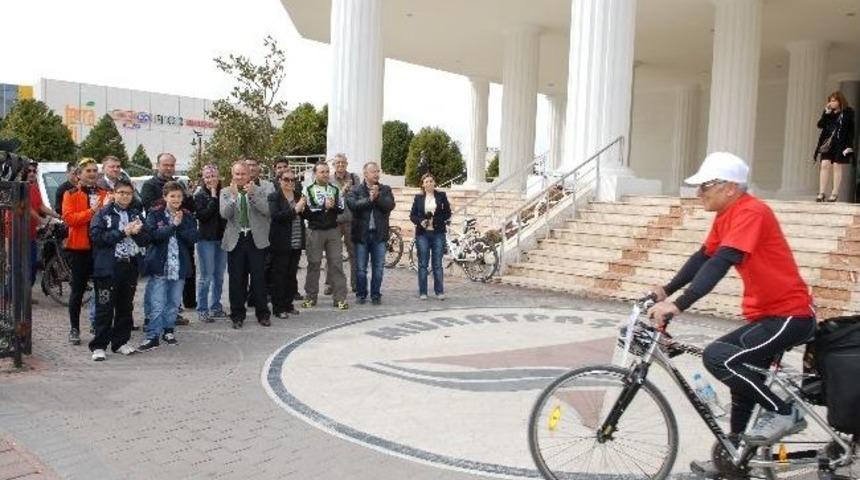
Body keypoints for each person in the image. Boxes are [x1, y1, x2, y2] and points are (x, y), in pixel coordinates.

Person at [645, 152, 816, 475]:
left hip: (791, 316)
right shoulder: (728, 215)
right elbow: (703, 257)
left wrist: (679, 304)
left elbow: (721, 262)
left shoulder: (752, 211)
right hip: (768, 316)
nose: (699, 193)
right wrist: (667, 289)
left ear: (730, 187)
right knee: (739, 380)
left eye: (706, 185)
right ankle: (735, 457)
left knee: (718, 357)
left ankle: (784, 412)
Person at [88, 179, 149, 361]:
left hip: (129, 266)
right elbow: (97, 237)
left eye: (128, 193)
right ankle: (99, 345)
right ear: (114, 193)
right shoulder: (103, 213)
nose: (124, 196)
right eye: (121, 192)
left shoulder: (136, 213)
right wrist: (123, 232)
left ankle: (121, 342)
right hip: (107, 267)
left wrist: (138, 233)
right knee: (104, 307)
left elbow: (147, 239)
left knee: (125, 306)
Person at [139, 181, 198, 351]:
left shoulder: (186, 215)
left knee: (173, 302)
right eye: (172, 196)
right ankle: (152, 335)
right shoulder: (155, 214)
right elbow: (153, 236)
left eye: (179, 196)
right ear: (165, 197)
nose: (176, 199)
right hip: (160, 265)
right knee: (157, 302)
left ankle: (168, 330)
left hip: (178, 265)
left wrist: (179, 227)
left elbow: (193, 237)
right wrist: (173, 226)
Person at [139, 152, 195, 325]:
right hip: (159, 238)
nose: (169, 168)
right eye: (165, 165)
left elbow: (189, 207)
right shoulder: (149, 185)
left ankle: (172, 315)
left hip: (178, 241)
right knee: (156, 284)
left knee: (174, 278)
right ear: (158, 165)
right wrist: (171, 204)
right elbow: (150, 206)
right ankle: (151, 317)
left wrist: (187, 197)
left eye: (172, 165)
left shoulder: (180, 185)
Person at [62, 158, 109, 345]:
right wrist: (92, 211)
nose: (92, 174)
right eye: (88, 171)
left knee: (102, 290)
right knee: (78, 290)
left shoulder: (104, 193)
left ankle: (99, 325)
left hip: (100, 248)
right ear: (79, 174)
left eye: (94, 170)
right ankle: (74, 328)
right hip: (80, 248)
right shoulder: (70, 194)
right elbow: (69, 219)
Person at [220, 161, 272, 328]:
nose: (240, 177)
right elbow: (225, 214)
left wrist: (252, 196)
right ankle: (237, 315)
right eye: (237, 174)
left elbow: (267, 211)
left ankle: (262, 314)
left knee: (259, 279)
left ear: (250, 175)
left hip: (255, 239)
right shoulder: (226, 192)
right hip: (236, 240)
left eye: (243, 174)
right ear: (232, 175)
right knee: (236, 280)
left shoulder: (260, 190)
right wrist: (235, 198)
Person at [302, 162, 348, 310]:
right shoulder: (308, 189)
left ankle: (340, 298)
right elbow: (306, 211)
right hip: (315, 231)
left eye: (327, 171)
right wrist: (324, 206)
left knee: (336, 264)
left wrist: (333, 206)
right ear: (315, 174)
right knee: (314, 264)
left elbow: (341, 208)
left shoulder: (335, 189)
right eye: (322, 172)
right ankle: (310, 297)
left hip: (333, 230)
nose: (326, 174)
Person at [347, 161, 395, 305]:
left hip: (379, 235)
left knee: (378, 268)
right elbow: (353, 205)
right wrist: (369, 199)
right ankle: (361, 294)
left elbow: (389, 206)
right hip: (362, 235)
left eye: (377, 171)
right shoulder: (355, 190)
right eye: (373, 171)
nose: (376, 174)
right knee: (361, 268)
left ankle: (375, 294)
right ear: (365, 174)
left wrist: (377, 196)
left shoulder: (385, 189)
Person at [268, 169, 306, 318]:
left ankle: (288, 305)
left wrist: (305, 206)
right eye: (286, 179)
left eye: (293, 179)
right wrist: (295, 209)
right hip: (281, 242)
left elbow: (306, 215)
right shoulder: (274, 197)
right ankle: (278, 308)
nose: (290, 182)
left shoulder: (298, 196)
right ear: (279, 180)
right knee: (279, 275)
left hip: (296, 241)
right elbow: (276, 216)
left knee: (291, 275)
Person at [193, 164, 228, 323]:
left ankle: (215, 306)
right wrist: (213, 197)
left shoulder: (225, 193)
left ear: (218, 177)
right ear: (203, 179)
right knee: (206, 277)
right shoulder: (200, 195)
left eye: (213, 176)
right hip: (206, 240)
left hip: (222, 239)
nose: (211, 179)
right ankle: (202, 309)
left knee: (219, 276)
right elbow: (203, 216)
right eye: (207, 177)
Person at [409, 173, 451, 300]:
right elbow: (412, 215)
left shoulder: (441, 196)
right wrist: (421, 221)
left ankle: (439, 291)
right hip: (423, 234)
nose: (429, 183)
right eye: (426, 181)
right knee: (423, 263)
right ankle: (423, 292)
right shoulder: (418, 198)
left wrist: (437, 220)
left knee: (437, 263)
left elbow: (447, 213)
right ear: (422, 184)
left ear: (434, 183)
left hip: (438, 233)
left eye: (431, 181)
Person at [326, 153, 360, 294]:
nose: (340, 165)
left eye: (343, 163)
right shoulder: (328, 179)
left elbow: (359, 195)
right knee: (333, 254)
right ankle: (330, 284)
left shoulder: (354, 178)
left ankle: (355, 283)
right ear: (333, 165)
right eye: (338, 163)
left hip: (351, 221)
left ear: (347, 164)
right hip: (334, 221)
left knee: (354, 253)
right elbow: (327, 197)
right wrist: (342, 191)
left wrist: (349, 190)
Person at [814, 91, 855, 202]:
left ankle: (835, 193)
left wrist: (849, 146)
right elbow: (820, 125)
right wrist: (826, 113)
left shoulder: (848, 112)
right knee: (824, 165)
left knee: (837, 166)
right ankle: (821, 193)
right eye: (830, 101)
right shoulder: (829, 113)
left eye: (834, 101)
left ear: (839, 101)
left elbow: (851, 130)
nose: (831, 103)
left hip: (841, 143)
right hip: (828, 143)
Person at [26, 162, 61, 287]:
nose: (31, 173)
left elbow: (40, 206)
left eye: (34, 171)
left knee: (33, 264)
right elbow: (27, 208)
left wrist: (57, 216)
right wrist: (43, 221)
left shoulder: (34, 188)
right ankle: (11, 296)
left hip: (31, 233)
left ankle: (26, 294)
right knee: (22, 265)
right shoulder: (21, 188)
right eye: (28, 170)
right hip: (18, 234)